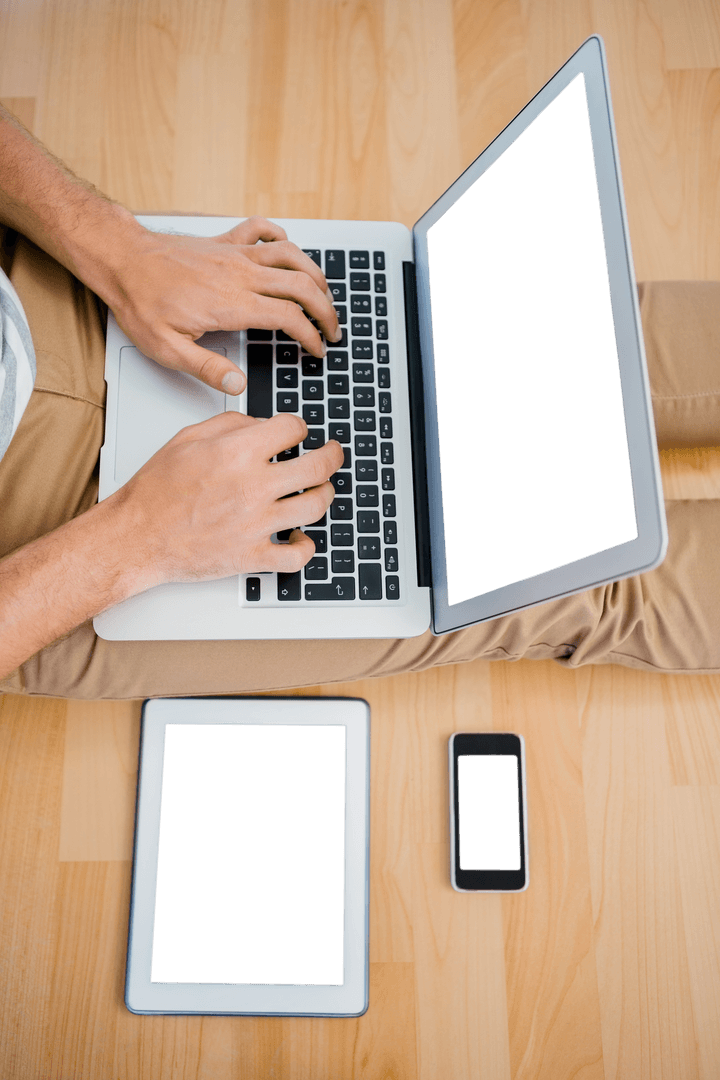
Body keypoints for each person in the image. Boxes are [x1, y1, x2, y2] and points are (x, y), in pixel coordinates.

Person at [1, 102, 720, 700]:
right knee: (560, 580)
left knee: (587, 348)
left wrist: (115, 245)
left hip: (56, 286)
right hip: (43, 559)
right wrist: (132, 541)